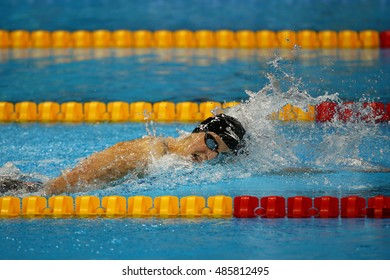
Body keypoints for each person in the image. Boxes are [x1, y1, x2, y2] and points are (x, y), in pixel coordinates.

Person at [0, 114, 245, 195]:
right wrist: (45, 194)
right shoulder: (146, 153)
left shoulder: (171, 161)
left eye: (220, 154)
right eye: (212, 144)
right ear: (197, 131)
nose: (211, 156)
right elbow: (78, 176)